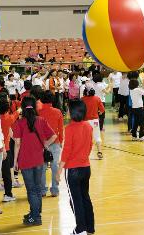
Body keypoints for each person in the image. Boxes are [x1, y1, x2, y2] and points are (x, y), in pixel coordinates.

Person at [12, 96, 57, 226]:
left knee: (31, 190)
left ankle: (36, 217)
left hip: (25, 160)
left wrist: (15, 161)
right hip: (39, 160)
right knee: (37, 189)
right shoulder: (41, 120)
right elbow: (54, 135)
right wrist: (45, 145)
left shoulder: (19, 123)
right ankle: (34, 213)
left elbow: (18, 144)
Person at [56, 99, 95, 235]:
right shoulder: (89, 126)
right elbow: (90, 145)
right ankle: (90, 227)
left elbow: (66, 151)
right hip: (86, 168)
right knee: (85, 197)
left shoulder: (70, 128)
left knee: (75, 199)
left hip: (73, 170)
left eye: (67, 109)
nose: (66, 111)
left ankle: (80, 228)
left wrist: (59, 169)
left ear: (72, 112)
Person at [38, 90, 64, 197]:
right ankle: (55, 189)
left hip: (41, 143)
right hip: (55, 141)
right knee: (54, 166)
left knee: (42, 167)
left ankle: (43, 190)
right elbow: (61, 128)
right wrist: (61, 141)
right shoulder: (58, 112)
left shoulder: (38, 112)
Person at [0, 94, 19, 202]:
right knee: (6, 174)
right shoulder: (7, 118)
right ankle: (8, 194)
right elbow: (15, 115)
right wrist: (20, 109)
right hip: (5, 148)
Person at [82, 87, 105, 159]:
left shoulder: (82, 99)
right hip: (95, 121)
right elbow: (102, 110)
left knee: (85, 137)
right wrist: (99, 112)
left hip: (85, 121)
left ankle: (85, 154)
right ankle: (99, 152)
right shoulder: (97, 98)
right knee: (97, 136)